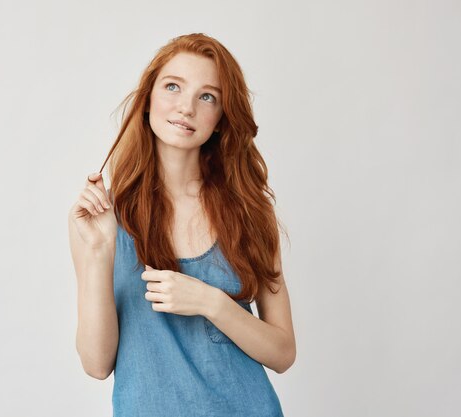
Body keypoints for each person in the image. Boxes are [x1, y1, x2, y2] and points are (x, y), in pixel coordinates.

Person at [68, 33, 296, 417]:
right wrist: (99, 250)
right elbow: (96, 363)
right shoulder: (100, 219)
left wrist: (211, 303)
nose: (186, 107)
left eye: (207, 96)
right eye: (173, 86)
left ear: (222, 119)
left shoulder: (250, 213)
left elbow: (283, 352)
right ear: (148, 99)